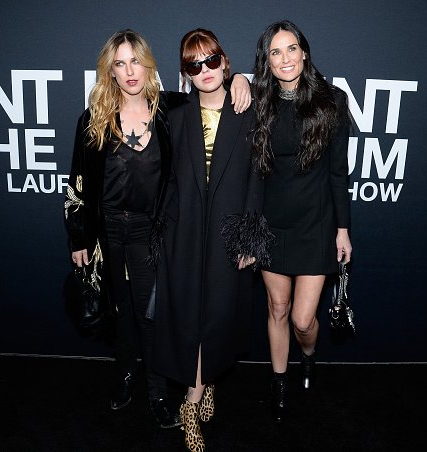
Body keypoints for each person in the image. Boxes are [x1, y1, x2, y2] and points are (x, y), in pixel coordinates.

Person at [63, 29, 251, 429]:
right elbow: (78, 182)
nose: (129, 71)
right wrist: (79, 237)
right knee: (120, 311)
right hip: (108, 232)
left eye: (136, 61)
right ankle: (127, 377)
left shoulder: (170, 109)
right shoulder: (93, 118)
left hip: (152, 233)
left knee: (153, 314)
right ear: (110, 71)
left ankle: (158, 392)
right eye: (120, 63)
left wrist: (240, 79)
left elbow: (211, 91)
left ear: (148, 64)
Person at [151, 29, 272, 451]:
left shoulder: (250, 110)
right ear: (183, 73)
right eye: (193, 64)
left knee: (217, 319)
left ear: (225, 60)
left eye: (211, 60)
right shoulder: (175, 113)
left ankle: (195, 394)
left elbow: (258, 178)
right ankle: (193, 400)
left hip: (228, 234)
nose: (204, 70)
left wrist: (250, 238)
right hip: (182, 236)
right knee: (190, 321)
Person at [251, 20, 353, 423]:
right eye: (275, 52)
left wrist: (342, 229)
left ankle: (308, 356)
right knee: (277, 307)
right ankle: (279, 383)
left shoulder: (332, 102)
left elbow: (338, 172)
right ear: (267, 61)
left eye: (291, 49)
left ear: (304, 53)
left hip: (316, 224)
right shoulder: (259, 103)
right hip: (271, 225)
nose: (285, 58)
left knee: (302, 319)